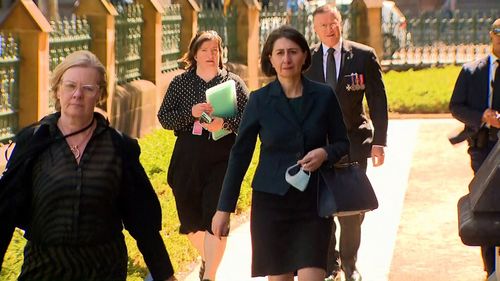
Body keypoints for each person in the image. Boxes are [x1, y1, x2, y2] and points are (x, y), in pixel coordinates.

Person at [0, 50, 176, 281]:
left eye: (88, 88)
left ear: (100, 94)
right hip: (45, 269)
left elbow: (141, 218)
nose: (77, 95)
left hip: (104, 270)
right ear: (57, 90)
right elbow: (4, 213)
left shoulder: (118, 146)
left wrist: (164, 274)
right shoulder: (34, 142)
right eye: (70, 85)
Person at [212, 26, 350, 281]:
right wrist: (224, 208)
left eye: (293, 52)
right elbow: (240, 155)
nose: (287, 59)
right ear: (270, 60)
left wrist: (324, 152)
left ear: (304, 56)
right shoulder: (259, 100)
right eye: (280, 53)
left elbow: (343, 143)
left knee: (313, 275)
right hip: (271, 204)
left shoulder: (324, 96)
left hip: (313, 203)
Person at [304, 5, 388, 281]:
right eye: (323, 25)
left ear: (341, 23)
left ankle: (350, 264)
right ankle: (332, 265)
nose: (330, 29)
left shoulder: (362, 56)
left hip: (354, 144)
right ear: (315, 29)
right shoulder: (307, 60)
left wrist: (379, 142)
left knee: (352, 211)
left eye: (334, 23)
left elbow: (377, 100)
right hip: (319, 148)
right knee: (324, 209)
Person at [157, 30, 249, 281]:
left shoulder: (233, 83)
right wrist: (191, 112)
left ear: (221, 54)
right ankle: (209, 258)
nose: (210, 55)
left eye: (215, 50)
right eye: (205, 50)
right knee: (189, 222)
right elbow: (164, 118)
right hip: (188, 154)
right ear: (194, 54)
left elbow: (251, 121)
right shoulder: (180, 83)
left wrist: (225, 124)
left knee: (216, 217)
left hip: (223, 156)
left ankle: (209, 275)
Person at [449, 18, 500, 279]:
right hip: (484, 148)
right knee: (487, 206)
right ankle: (490, 267)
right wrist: (483, 115)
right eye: (499, 33)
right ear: (491, 35)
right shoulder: (473, 71)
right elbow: (456, 106)